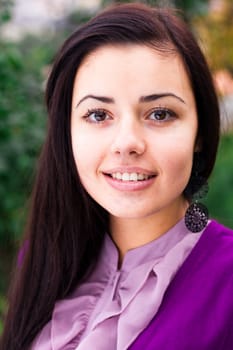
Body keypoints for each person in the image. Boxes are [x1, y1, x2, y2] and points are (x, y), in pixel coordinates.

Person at [1, 2, 233, 350]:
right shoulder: (44, 258)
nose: (127, 143)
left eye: (159, 113)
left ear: (200, 131)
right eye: (97, 115)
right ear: (67, 131)